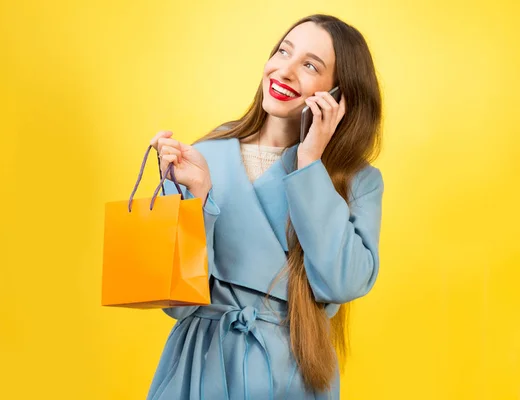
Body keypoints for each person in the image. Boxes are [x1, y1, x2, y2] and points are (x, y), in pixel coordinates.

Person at [147, 13, 384, 400]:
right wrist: (200, 198)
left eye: (309, 65)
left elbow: (344, 282)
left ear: (340, 95)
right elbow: (175, 305)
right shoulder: (203, 158)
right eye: (283, 51)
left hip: (292, 374)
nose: (285, 71)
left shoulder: (356, 181)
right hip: (201, 366)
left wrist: (310, 164)